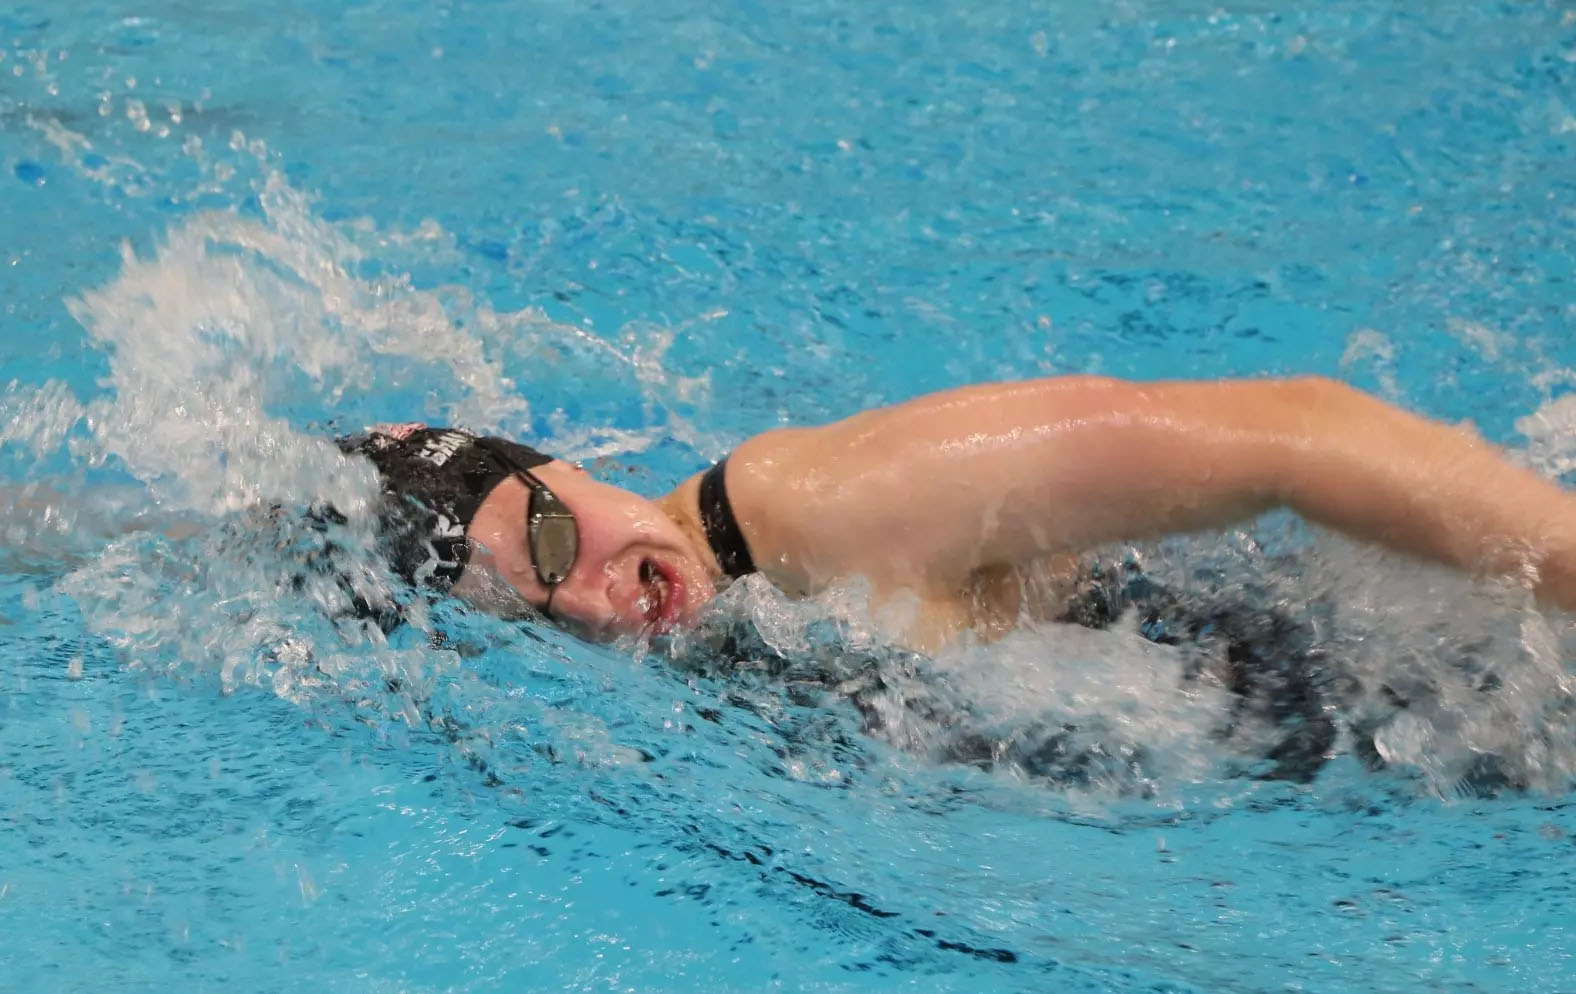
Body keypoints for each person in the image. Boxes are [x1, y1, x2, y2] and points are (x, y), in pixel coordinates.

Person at [339, 375, 1576, 653]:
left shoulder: (809, 511)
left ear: (571, 467)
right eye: (531, 617)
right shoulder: (710, 657)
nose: (587, 596)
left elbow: (1298, 434)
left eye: (551, 539)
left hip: (1384, 694)